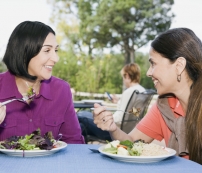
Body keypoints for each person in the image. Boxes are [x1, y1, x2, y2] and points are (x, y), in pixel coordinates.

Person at [93, 28, 202, 164]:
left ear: (179, 66)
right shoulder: (164, 106)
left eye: (153, 63)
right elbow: (131, 143)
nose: (148, 73)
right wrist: (113, 128)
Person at [0, 21, 85, 144]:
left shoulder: (61, 90)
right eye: (47, 50)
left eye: (55, 50)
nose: (56, 58)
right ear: (25, 52)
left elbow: (74, 142)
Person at [78, 63, 145, 142]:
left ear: (127, 75)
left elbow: (119, 118)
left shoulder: (129, 92)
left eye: (123, 77)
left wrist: (107, 116)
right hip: (129, 129)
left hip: (115, 131)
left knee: (81, 115)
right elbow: (132, 111)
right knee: (81, 126)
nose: (123, 80)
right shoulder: (142, 90)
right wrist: (118, 102)